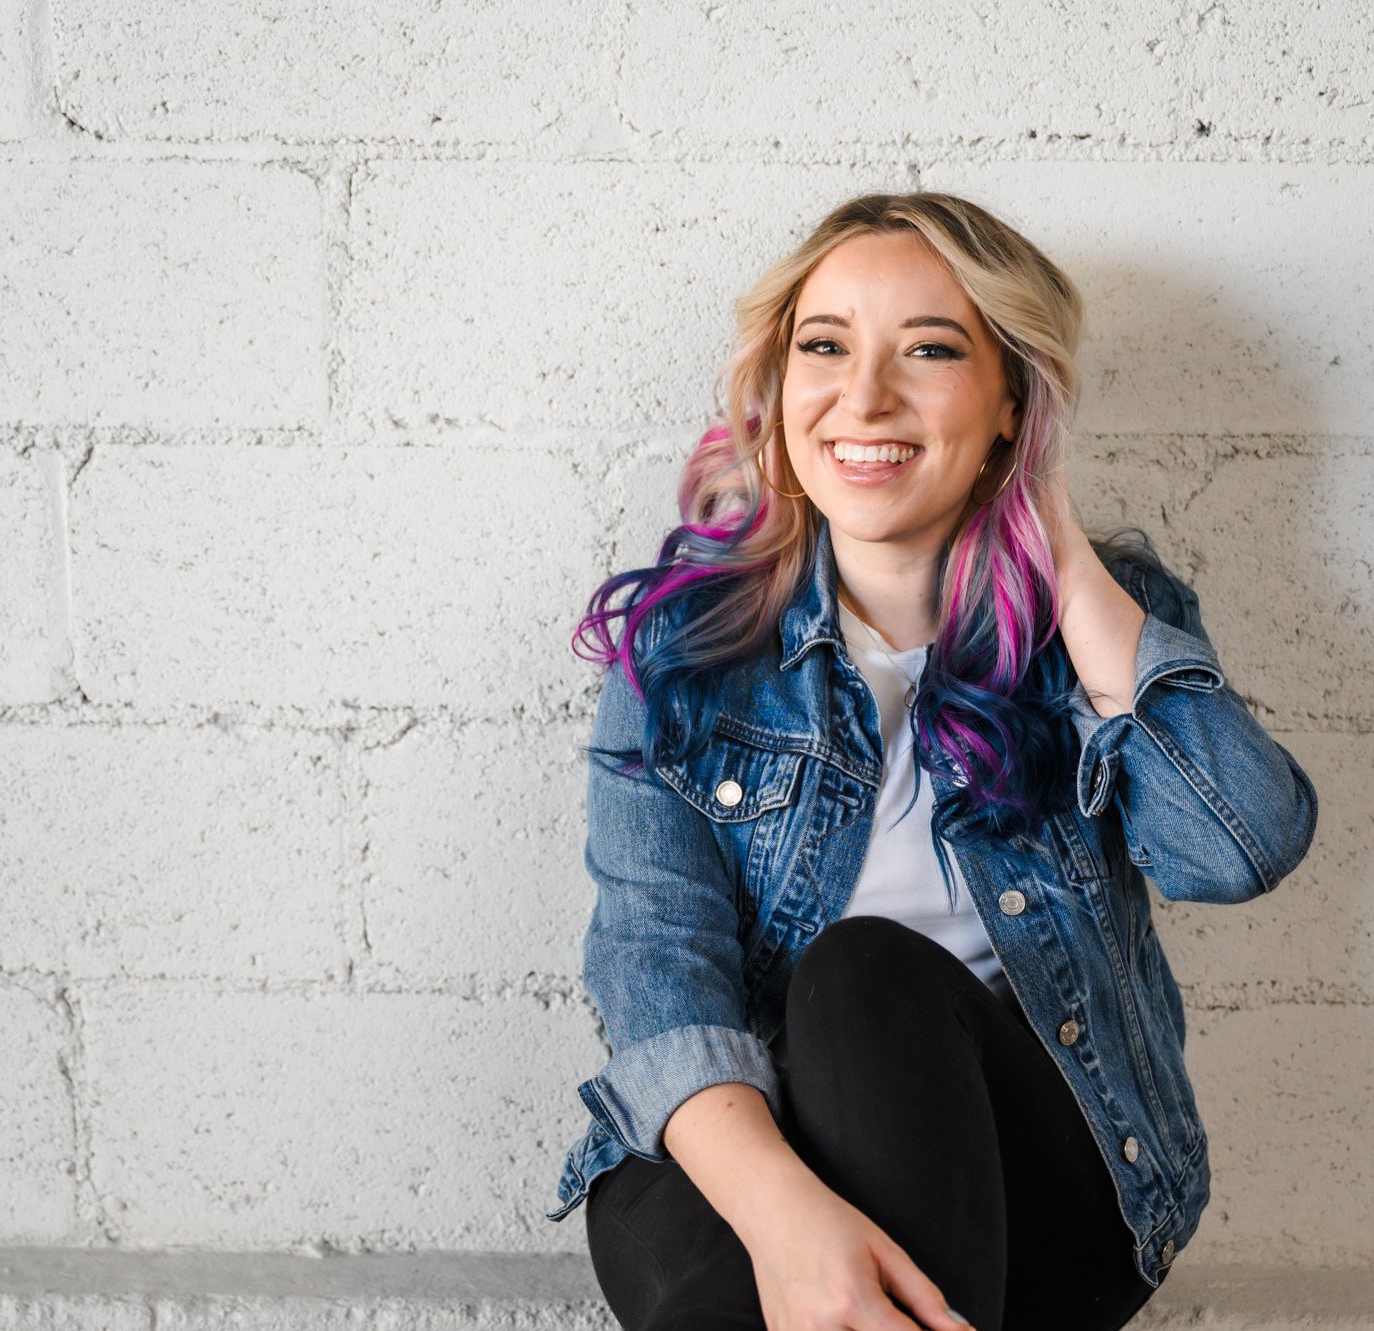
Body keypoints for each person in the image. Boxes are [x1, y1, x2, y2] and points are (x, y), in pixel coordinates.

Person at [544, 192, 1319, 1331]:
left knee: (864, 972)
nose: (862, 397)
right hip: (745, 1147)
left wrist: (1049, 542)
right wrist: (795, 1222)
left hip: (1038, 1175)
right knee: (731, 1279)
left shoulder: (1105, 621)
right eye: (824, 346)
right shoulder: (685, 649)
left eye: (929, 350)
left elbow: (1237, 847)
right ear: (778, 385)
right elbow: (655, 969)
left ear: (1011, 401)